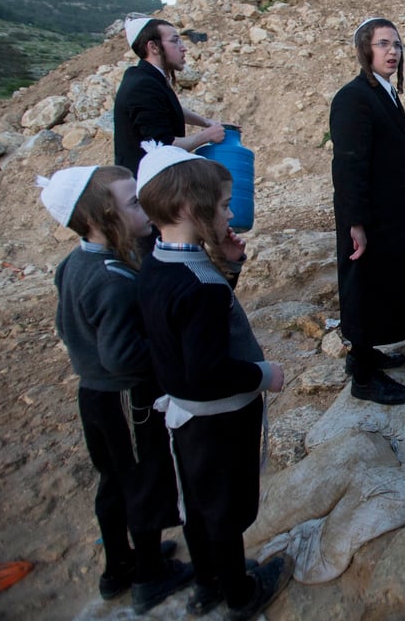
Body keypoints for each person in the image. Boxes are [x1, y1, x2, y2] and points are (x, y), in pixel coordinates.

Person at [135, 144, 290, 620]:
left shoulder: (159, 266)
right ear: (189, 209)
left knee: (198, 506)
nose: (230, 213)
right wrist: (264, 375)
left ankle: (207, 583)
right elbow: (208, 368)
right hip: (220, 420)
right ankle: (240, 593)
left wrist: (230, 265)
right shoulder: (197, 286)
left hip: (186, 419)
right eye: (223, 205)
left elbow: (196, 328)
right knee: (225, 510)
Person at [37, 165, 193, 614]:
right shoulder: (111, 279)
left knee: (114, 481)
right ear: (101, 217)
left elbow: (70, 327)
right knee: (143, 481)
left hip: (94, 396)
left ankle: (117, 567)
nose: (142, 206)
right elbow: (123, 355)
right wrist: (164, 350)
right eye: (131, 202)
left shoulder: (75, 264)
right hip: (129, 400)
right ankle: (149, 576)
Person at [330, 18, 405, 405]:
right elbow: (348, 165)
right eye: (383, 44)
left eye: (396, 44)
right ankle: (363, 378)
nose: (393, 51)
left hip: (385, 213)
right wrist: (356, 224)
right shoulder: (353, 97)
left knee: (376, 286)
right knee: (362, 288)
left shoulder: (384, 93)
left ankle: (361, 356)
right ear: (365, 50)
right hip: (364, 217)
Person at [113, 17, 227, 177]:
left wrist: (206, 123)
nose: (184, 48)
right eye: (175, 41)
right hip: (145, 190)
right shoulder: (142, 86)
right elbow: (164, 147)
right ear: (153, 47)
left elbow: (169, 108)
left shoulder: (146, 78)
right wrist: (207, 136)